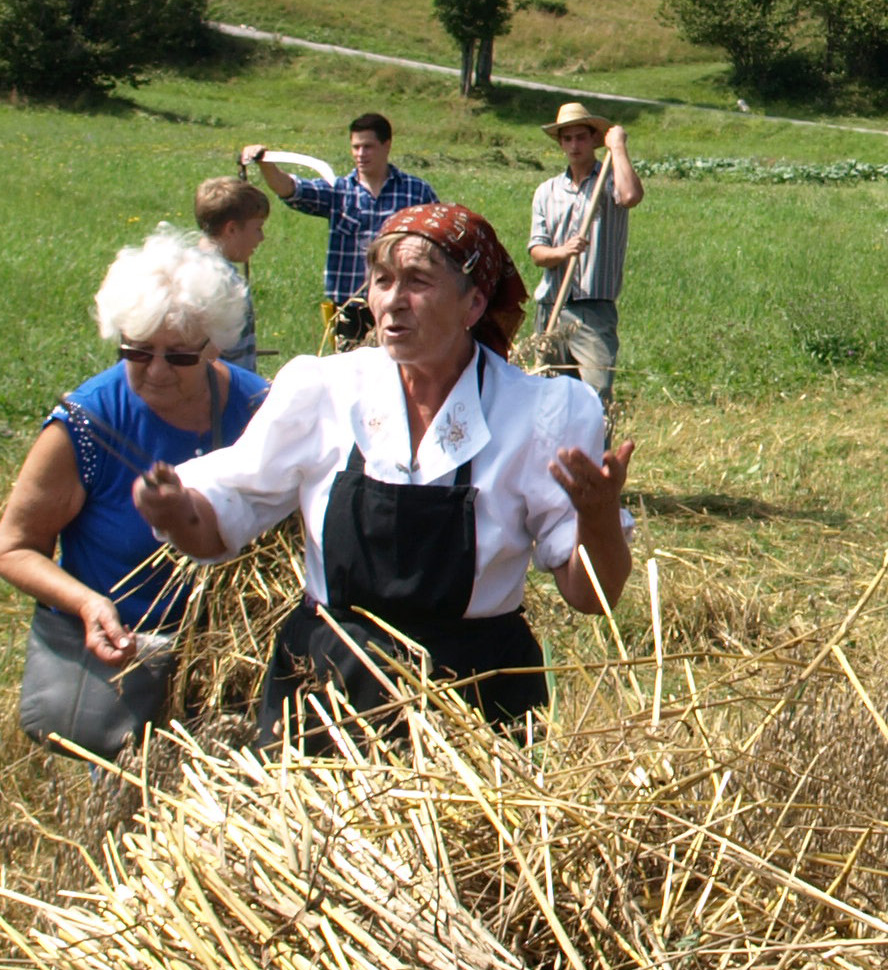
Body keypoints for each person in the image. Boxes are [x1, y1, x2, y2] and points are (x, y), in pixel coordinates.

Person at [134, 203, 634, 746]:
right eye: (382, 280)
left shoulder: (543, 412)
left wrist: (599, 515)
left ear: (474, 302)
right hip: (327, 693)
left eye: (419, 281)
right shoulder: (323, 390)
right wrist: (176, 510)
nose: (394, 300)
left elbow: (593, 596)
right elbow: (220, 518)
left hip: (474, 700)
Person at [0, 226, 269, 759]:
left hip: (228, 655)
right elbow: (13, 547)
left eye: (180, 356)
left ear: (214, 343)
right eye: (137, 351)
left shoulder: (259, 410)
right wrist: (86, 603)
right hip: (120, 652)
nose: (156, 371)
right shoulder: (84, 425)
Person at [241, 113, 438, 350]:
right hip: (348, 307)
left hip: (398, 303)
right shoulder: (339, 191)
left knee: (398, 371)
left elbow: (437, 244)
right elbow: (290, 189)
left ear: (387, 146)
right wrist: (265, 161)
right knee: (348, 378)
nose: (360, 154)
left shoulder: (416, 192)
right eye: (355, 147)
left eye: (368, 147)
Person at [528, 102, 645, 409]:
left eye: (581, 137)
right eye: (567, 139)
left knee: (595, 399)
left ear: (595, 140)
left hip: (593, 310)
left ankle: (595, 457)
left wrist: (617, 146)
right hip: (552, 306)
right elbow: (537, 252)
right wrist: (562, 251)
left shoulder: (610, 181)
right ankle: (554, 457)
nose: (574, 145)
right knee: (550, 400)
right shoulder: (547, 191)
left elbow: (631, 196)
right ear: (560, 143)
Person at [194, 176, 270, 373]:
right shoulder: (222, 283)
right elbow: (207, 356)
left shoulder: (188, 268)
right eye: (258, 228)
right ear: (232, 229)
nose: (261, 237)